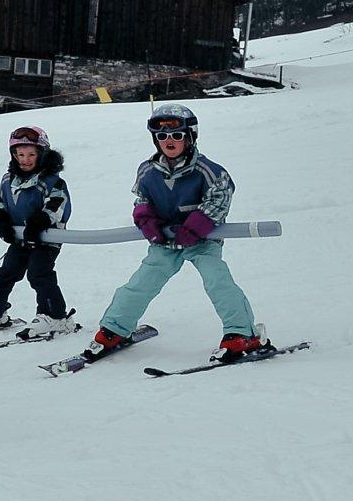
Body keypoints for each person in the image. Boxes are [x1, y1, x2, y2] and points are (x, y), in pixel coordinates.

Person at [83, 104, 275, 364]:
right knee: (141, 284)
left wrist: (195, 227)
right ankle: (116, 328)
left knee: (217, 281)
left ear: (190, 137)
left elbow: (219, 199)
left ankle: (243, 334)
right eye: (162, 137)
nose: (169, 141)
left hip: (203, 240)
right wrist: (148, 223)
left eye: (176, 135)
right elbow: (142, 201)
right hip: (164, 242)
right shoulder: (148, 171)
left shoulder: (209, 171)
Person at [0, 126, 77, 340]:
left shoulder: (52, 181)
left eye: (31, 154)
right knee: (5, 273)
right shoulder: (8, 180)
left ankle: (55, 316)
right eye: (20, 155)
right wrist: (1, 218)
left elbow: (59, 206)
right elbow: (4, 203)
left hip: (46, 239)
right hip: (20, 238)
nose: (25, 160)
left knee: (39, 273)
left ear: (42, 154)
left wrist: (41, 220)